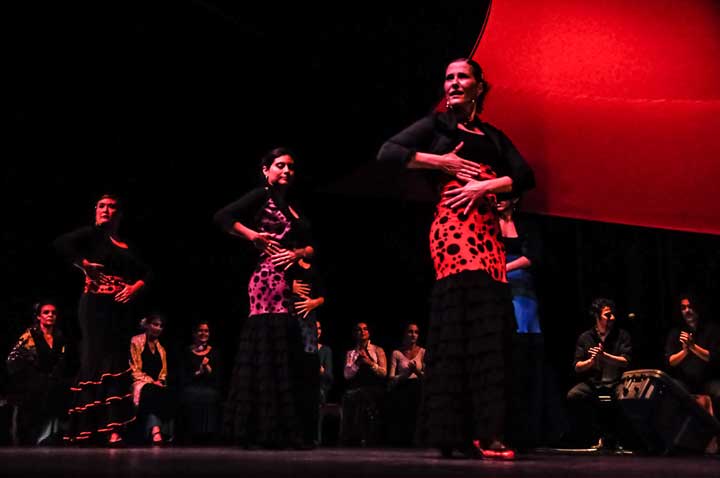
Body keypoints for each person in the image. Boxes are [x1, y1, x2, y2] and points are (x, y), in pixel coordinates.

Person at [377, 58, 535, 459]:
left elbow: (524, 175)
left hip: (488, 234)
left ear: (479, 86)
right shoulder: (437, 126)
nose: (454, 83)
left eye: (462, 76)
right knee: (461, 322)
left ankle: (489, 429)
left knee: (490, 328)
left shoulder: (493, 136)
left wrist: (485, 185)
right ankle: (455, 433)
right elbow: (388, 152)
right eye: (448, 77)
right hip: (453, 231)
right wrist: (440, 162)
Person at [214, 147, 313, 449]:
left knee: (285, 349)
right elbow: (222, 216)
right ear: (266, 170)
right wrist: (252, 236)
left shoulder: (291, 206)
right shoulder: (261, 196)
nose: (286, 171)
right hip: (267, 281)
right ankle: (259, 429)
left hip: (288, 281)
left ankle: (282, 429)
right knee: (269, 346)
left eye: (291, 167)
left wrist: (297, 252)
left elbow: (310, 246)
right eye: (280, 165)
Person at [54, 193, 150, 445]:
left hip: (120, 311)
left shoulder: (125, 244)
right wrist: (84, 263)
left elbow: (147, 272)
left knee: (117, 361)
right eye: (101, 206)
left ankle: (113, 428)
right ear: (95, 210)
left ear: (119, 214)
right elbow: (61, 243)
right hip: (95, 307)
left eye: (111, 207)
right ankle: (92, 428)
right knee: (96, 361)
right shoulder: (90, 236)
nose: (106, 210)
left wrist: (135, 287)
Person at [567, 298, 631, 449]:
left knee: (629, 398)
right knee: (574, 395)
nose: (612, 318)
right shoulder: (586, 337)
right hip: (594, 383)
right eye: (608, 315)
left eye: (613, 314)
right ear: (597, 316)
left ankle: (620, 438)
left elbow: (626, 361)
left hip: (617, 382)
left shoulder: (622, 335)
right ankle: (596, 434)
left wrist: (604, 356)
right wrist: (591, 361)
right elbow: (577, 366)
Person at [6, 300, 69, 445]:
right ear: (39, 316)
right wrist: (29, 377)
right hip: (32, 381)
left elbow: (62, 360)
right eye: (46, 312)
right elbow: (13, 360)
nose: (50, 315)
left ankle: (51, 437)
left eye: (53, 313)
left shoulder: (59, 336)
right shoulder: (31, 335)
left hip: (51, 382)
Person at [665, 295, 720, 419]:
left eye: (690, 306)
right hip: (685, 381)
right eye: (683, 308)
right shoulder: (676, 332)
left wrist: (693, 346)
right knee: (670, 391)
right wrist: (685, 351)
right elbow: (671, 362)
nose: (687, 310)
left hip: (708, 380)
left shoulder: (711, 329)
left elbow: (712, 358)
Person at [177, 320, 224, 445]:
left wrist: (207, 368)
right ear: (194, 333)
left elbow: (218, 376)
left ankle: (208, 435)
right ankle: (192, 435)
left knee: (210, 395)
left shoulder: (215, 352)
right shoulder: (187, 352)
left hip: (209, 386)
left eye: (206, 331)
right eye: (200, 330)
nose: (203, 333)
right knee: (191, 394)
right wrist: (199, 372)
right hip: (191, 385)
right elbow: (182, 376)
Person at [341, 322, 387, 446]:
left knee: (364, 396)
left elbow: (383, 372)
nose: (362, 331)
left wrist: (370, 363)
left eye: (365, 329)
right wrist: (357, 363)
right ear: (354, 334)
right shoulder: (351, 353)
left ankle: (367, 437)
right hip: (357, 388)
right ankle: (349, 437)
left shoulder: (377, 350)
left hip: (374, 387)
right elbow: (347, 375)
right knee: (349, 396)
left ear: (369, 332)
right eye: (359, 330)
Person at [129, 314, 170, 445]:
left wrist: (160, 382)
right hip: (139, 382)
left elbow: (163, 372)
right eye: (155, 324)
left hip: (155, 384)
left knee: (166, 393)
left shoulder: (161, 349)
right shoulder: (136, 341)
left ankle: (157, 430)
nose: (158, 328)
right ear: (147, 325)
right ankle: (155, 430)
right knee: (151, 392)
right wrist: (152, 382)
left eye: (161, 326)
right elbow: (134, 369)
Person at [386, 323, 425, 447]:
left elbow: (427, 376)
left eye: (416, 332)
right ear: (405, 334)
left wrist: (416, 371)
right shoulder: (397, 353)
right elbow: (391, 377)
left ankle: (417, 440)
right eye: (410, 332)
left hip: (418, 387)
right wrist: (406, 374)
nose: (413, 334)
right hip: (402, 387)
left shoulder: (423, 352)